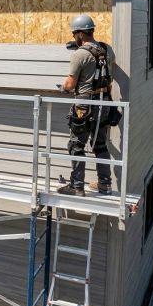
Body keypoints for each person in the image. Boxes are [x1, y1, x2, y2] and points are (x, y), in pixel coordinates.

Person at [58, 15, 116, 196]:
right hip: (104, 103)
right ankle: (105, 185)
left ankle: (76, 187)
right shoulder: (106, 50)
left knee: (76, 145)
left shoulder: (80, 54)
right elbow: (104, 68)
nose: (75, 36)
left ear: (81, 34)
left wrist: (63, 88)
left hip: (84, 106)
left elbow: (70, 84)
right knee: (100, 145)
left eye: (75, 33)